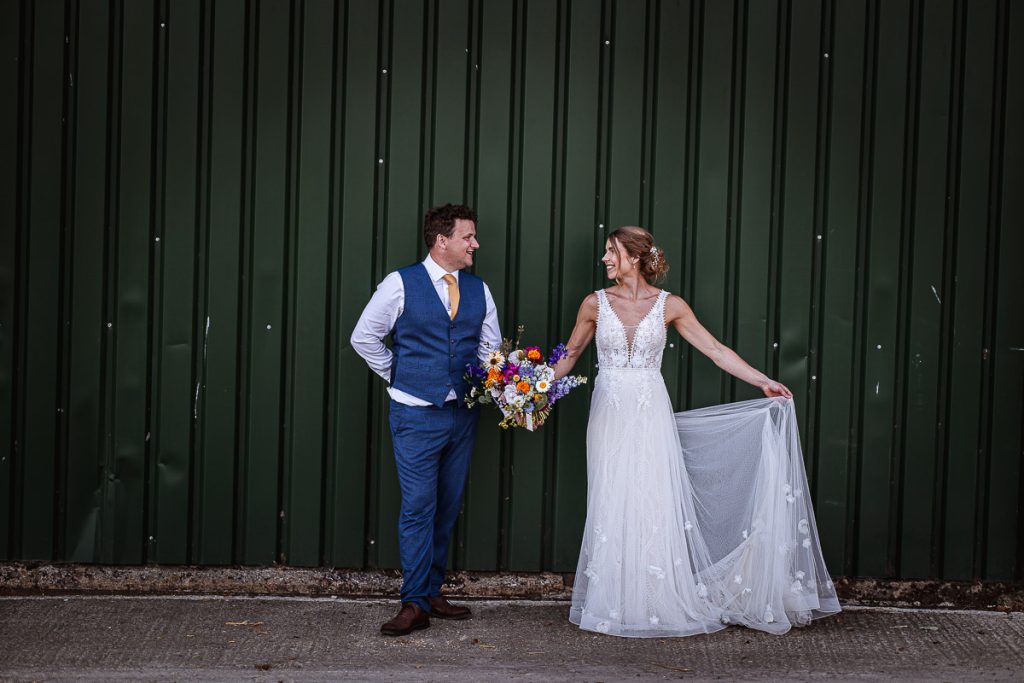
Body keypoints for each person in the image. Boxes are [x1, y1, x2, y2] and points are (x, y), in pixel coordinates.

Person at [552, 226, 840, 637]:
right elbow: (571, 353)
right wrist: (530, 387)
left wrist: (762, 381)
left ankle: (655, 599)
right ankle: (614, 600)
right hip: (609, 413)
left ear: (634, 257)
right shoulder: (594, 304)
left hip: (651, 411)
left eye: (611, 251)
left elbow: (716, 350)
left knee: (653, 499)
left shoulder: (670, 305)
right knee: (611, 496)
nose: (605, 259)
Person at [350, 204, 501, 636]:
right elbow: (363, 338)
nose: (475, 244)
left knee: (447, 507)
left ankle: (433, 591)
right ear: (442, 240)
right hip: (415, 415)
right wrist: (400, 375)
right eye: (467, 237)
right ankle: (413, 603)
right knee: (419, 507)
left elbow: (489, 352)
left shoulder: (479, 290)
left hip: (462, 416)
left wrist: (510, 385)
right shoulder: (400, 284)